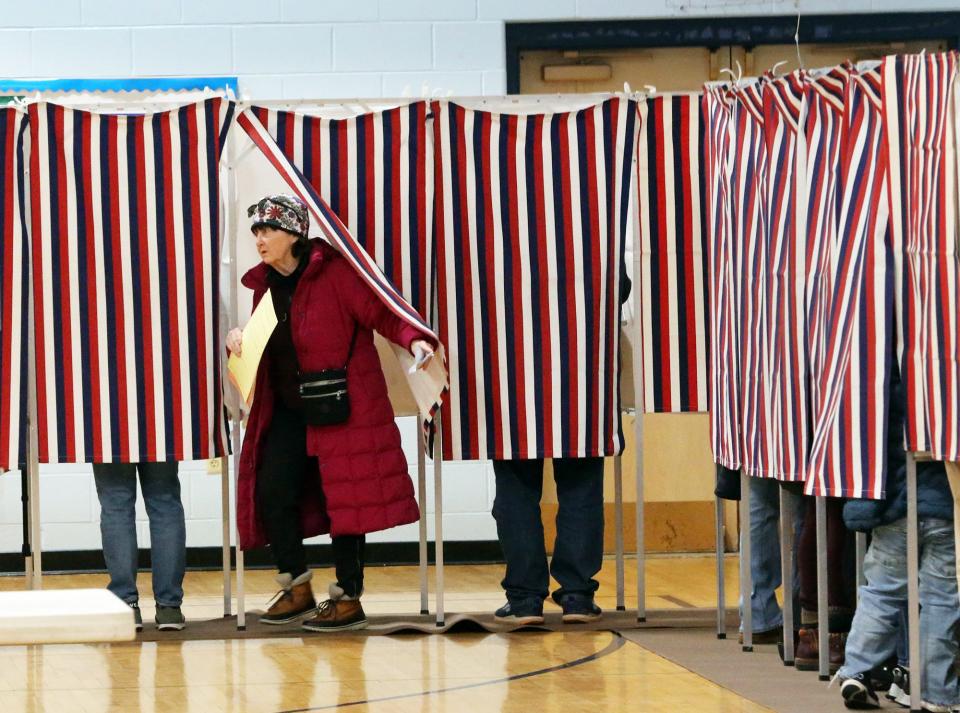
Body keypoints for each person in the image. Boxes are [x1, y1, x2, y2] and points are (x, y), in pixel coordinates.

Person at [227, 194, 436, 632]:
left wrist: (414, 337)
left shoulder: (335, 273)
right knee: (272, 491)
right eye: (257, 233)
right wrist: (239, 338)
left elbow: (382, 311)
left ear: (295, 235)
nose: (260, 240)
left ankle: (347, 598)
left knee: (347, 501)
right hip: (287, 407)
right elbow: (267, 340)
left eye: (269, 231)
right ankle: (298, 586)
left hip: (343, 405)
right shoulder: (266, 285)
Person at [491, 264, 631, 625]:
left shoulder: (488, 219)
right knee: (580, 486)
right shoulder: (593, 214)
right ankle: (577, 596)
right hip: (580, 364)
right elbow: (619, 285)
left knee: (515, 487)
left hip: (512, 364)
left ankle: (524, 599)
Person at [836, 366, 959, 711]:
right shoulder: (946, 375)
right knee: (941, 602)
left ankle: (856, 671)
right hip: (946, 508)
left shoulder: (878, 380)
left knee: (881, 593)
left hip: (895, 508)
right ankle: (938, 692)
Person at [93, 461, 186, 632]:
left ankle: (126, 604)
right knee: (165, 502)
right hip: (160, 433)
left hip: (111, 434)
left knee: (116, 504)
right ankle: (169, 608)